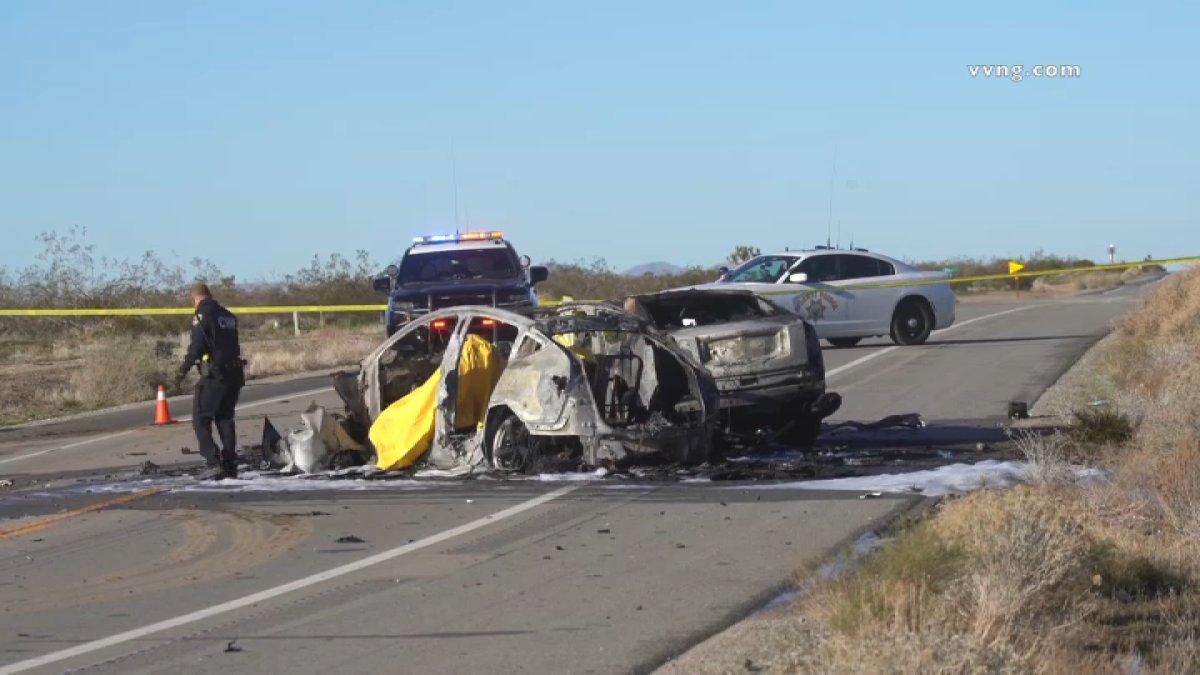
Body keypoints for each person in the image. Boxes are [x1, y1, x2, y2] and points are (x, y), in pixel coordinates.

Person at [174, 283, 246, 480]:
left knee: (201, 418)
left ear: (194, 300)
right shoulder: (228, 316)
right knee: (225, 418)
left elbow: (197, 347)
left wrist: (181, 372)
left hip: (216, 376)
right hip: (234, 374)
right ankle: (230, 463)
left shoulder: (202, 316)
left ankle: (213, 462)